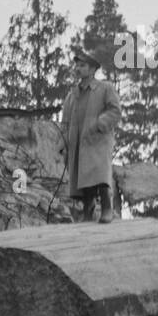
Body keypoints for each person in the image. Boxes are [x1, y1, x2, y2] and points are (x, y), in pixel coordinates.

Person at [61, 47, 121, 224]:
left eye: (83, 65)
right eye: (77, 66)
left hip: (99, 139)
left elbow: (115, 111)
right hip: (79, 141)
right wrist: (64, 142)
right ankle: (88, 211)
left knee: (100, 174)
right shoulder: (73, 94)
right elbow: (65, 120)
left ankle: (107, 208)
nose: (78, 69)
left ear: (93, 69)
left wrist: (100, 124)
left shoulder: (105, 88)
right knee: (83, 176)